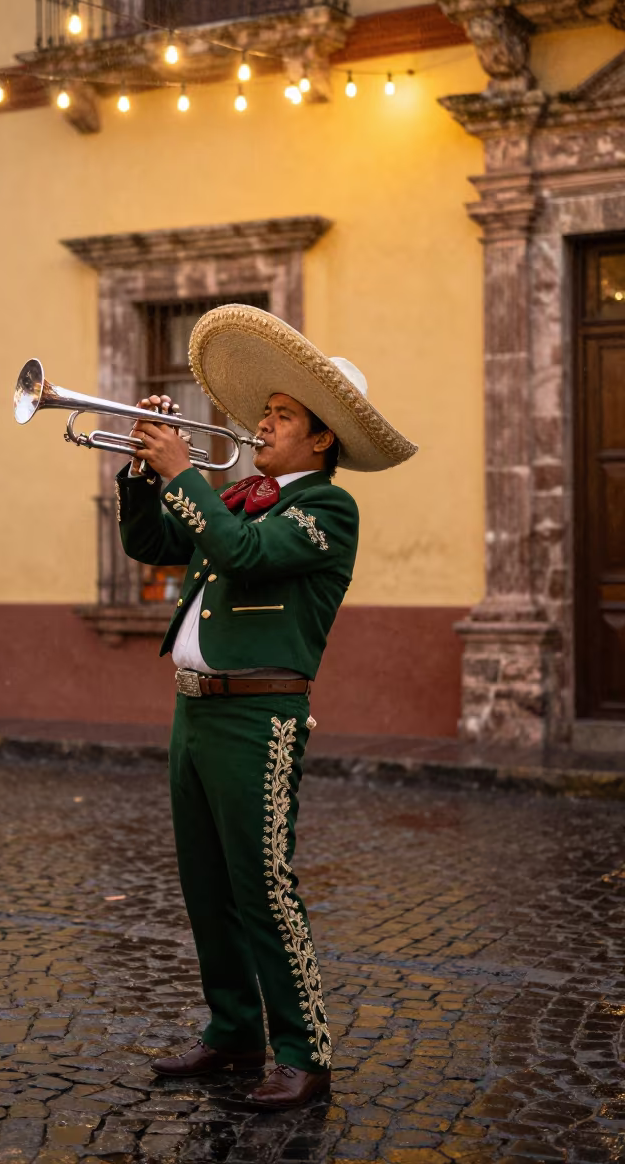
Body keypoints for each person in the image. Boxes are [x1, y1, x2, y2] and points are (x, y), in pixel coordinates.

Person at [114, 305, 416, 1110]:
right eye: (267, 411)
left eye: (281, 416)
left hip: (259, 719)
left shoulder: (326, 511)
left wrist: (184, 475)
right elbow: (150, 545)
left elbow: (242, 555)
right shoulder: (243, 495)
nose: (262, 424)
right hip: (194, 712)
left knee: (263, 884)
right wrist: (146, 469)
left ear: (321, 440)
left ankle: (304, 1052)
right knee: (204, 883)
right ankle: (235, 1030)